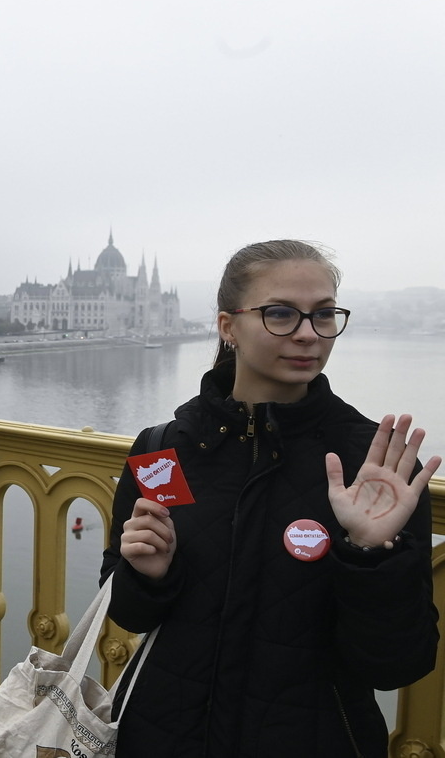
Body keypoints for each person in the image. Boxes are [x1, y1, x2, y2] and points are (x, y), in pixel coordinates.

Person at [101, 239, 439, 757]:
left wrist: (371, 555)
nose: (308, 334)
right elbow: (127, 615)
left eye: (324, 315)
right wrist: (150, 575)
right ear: (227, 326)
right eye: (280, 314)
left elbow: (396, 665)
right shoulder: (162, 450)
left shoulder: (374, 468)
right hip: (162, 736)